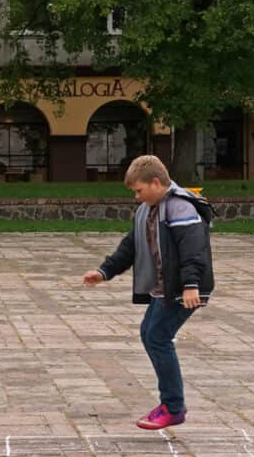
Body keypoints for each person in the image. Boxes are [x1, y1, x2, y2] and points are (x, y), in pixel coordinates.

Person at [82, 155, 214, 430]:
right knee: (149, 333)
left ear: (156, 182)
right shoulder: (147, 210)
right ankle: (171, 404)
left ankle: (173, 407)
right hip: (163, 287)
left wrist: (191, 285)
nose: (137, 197)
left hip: (183, 288)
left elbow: (194, 249)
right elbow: (130, 245)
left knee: (157, 336)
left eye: (139, 190)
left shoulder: (180, 207)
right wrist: (105, 271)